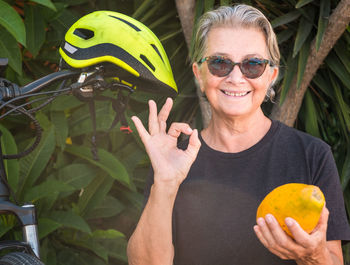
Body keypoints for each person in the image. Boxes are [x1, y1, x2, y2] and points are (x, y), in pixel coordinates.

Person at [127, 4, 350, 265]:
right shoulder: (174, 157)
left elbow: (333, 259)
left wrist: (314, 256)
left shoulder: (311, 155)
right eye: (220, 63)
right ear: (199, 74)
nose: (236, 77)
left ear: (271, 76)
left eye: (252, 64)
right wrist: (164, 183)